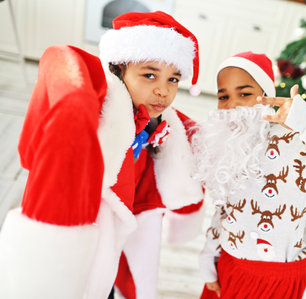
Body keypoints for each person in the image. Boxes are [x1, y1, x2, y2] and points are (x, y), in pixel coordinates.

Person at [0, 11, 204, 299]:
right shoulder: (102, 109)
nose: (163, 90)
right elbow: (66, 71)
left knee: (105, 278)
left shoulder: (162, 124)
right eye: (149, 74)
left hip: (117, 229)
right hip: (81, 221)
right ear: (119, 69)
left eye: (173, 79)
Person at [193, 51, 306, 299]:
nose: (232, 104)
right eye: (223, 96)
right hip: (229, 265)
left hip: (276, 279)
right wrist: (210, 256)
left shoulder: (299, 140)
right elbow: (223, 209)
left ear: (267, 96)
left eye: (245, 93)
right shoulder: (229, 144)